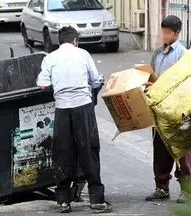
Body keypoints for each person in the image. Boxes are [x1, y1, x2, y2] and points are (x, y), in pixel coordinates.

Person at [36, 26, 111, 214]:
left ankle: (63, 200)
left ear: (60, 41)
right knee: (89, 150)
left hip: (62, 109)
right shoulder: (83, 54)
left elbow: (42, 84)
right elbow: (95, 80)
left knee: (63, 152)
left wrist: (58, 87)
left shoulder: (50, 58)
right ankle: (97, 199)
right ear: (75, 40)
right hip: (83, 107)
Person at [145, 15, 191, 203]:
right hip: (158, 108)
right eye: (163, 32)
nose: (164, 36)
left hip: (177, 108)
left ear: (177, 33)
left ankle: (187, 189)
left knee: (181, 149)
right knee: (160, 149)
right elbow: (152, 75)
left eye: (168, 32)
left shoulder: (183, 54)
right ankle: (162, 186)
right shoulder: (158, 53)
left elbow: (184, 81)